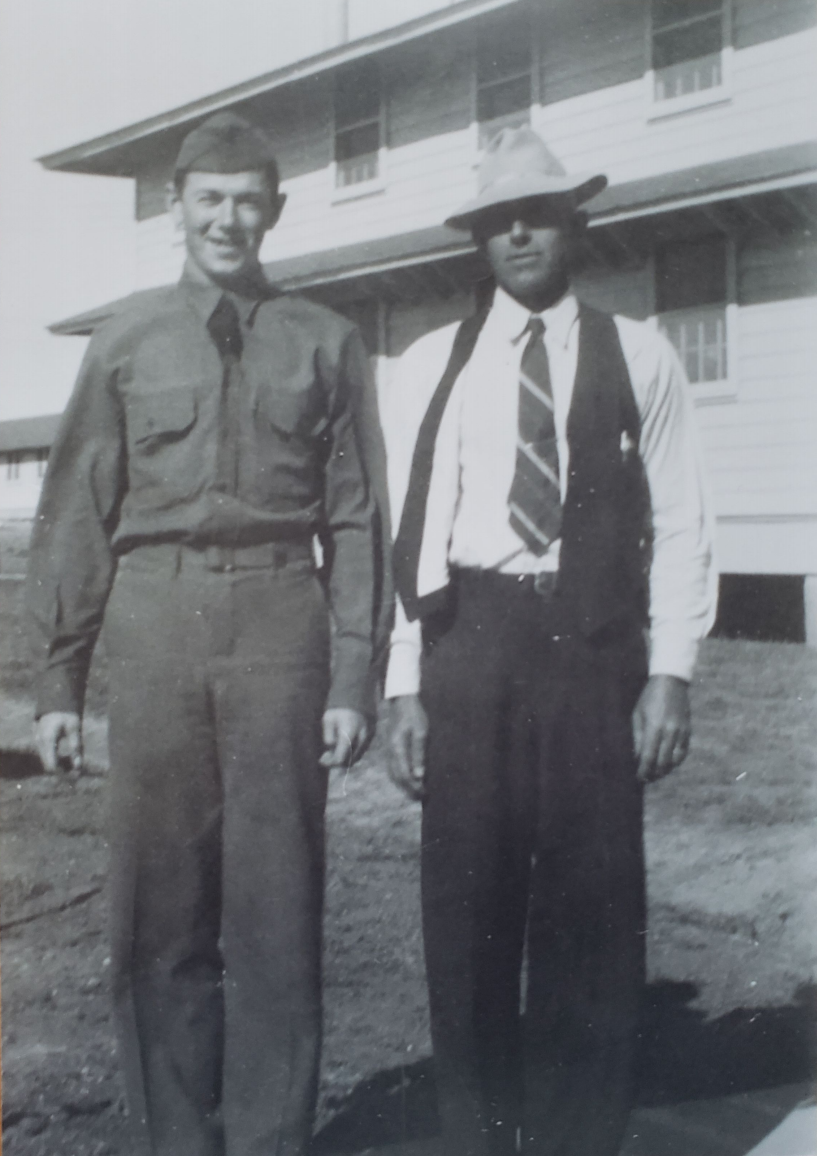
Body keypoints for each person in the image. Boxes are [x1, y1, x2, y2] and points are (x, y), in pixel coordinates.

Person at [27, 111, 388, 1156]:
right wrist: (60, 680)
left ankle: (271, 1139)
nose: (229, 219)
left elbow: (359, 514)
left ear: (273, 210)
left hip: (281, 621)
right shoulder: (126, 339)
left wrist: (352, 675)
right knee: (159, 909)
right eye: (209, 199)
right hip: (156, 624)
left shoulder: (326, 339)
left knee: (276, 910)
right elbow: (78, 509)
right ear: (177, 209)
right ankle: (174, 1139)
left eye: (248, 199)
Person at [383, 126, 716, 1156]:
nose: (517, 231)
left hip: (591, 647)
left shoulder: (640, 353)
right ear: (478, 240)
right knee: (468, 905)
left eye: (536, 212)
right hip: (468, 643)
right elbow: (408, 525)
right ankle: (479, 1133)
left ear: (576, 222)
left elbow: (684, 520)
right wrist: (404, 683)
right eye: (496, 220)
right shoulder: (430, 363)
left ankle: (579, 1135)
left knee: (592, 903)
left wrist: (669, 672)